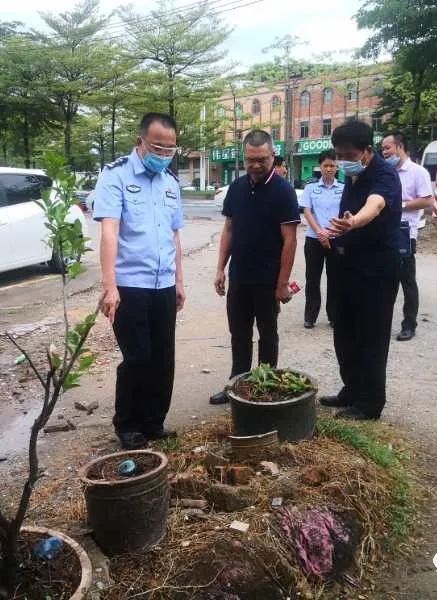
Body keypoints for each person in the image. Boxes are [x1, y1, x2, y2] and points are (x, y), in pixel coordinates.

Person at [93, 112, 186, 449]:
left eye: (170, 149)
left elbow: (174, 236)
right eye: (157, 147)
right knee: (138, 357)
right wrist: (110, 285)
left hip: (163, 283)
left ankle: (153, 421)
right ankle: (128, 424)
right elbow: (109, 232)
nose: (164, 155)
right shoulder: (115, 176)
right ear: (140, 142)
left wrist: (179, 281)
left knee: (163, 356)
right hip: (130, 283)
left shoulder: (170, 184)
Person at [209, 129, 300, 405]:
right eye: (251, 159)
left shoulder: (283, 191)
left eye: (262, 159)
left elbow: (290, 240)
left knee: (267, 334)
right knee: (239, 333)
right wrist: (220, 268)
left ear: (273, 155)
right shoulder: (236, 188)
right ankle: (237, 384)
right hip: (240, 276)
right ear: (244, 156)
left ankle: (265, 386)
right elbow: (229, 229)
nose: (256, 165)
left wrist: (282, 283)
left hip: (267, 280)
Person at [320, 120, 402, 420]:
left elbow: (375, 205)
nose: (343, 161)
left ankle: (370, 403)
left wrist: (353, 222)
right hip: (348, 263)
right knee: (344, 330)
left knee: (371, 335)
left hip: (377, 267)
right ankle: (352, 389)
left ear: (368, 151)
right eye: (339, 155)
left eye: (349, 155)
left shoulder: (385, 175)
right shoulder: (352, 174)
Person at [380, 132, 434, 341]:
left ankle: (409, 325)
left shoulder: (417, 172)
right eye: (383, 149)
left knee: (407, 282)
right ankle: (382, 323)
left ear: (400, 147)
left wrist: (399, 205)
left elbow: (427, 201)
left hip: (404, 233)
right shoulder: (386, 172)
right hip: (384, 232)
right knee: (384, 281)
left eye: (387, 148)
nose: (384, 152)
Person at [298, 149, 343, 329]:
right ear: (320, 167)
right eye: (326, 165)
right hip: (314, 240)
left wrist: (330, 232)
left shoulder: (344, 189)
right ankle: (310, 316)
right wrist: (320, 232)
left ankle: (334, 316)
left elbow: (345, 213)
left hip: (336, 239)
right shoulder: (311, 188)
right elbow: (307, 211)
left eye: (332, 165)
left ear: (337, 167)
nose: (329, 169)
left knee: (335, 279)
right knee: (312, 279)